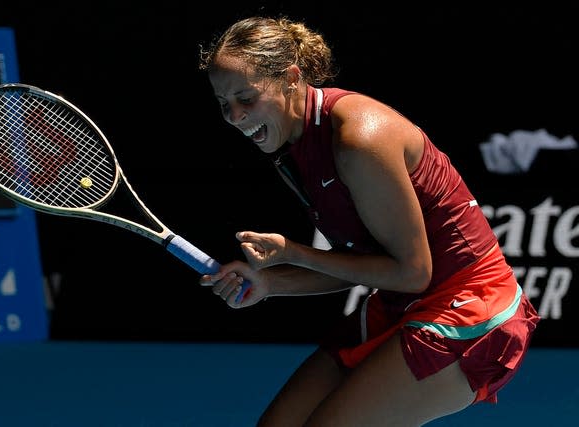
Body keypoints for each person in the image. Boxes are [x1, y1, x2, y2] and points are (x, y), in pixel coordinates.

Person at [198, 15, 540, 427]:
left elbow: (412, 272)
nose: (235, 116)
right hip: (402, 301)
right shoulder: (293, 151)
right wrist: (273, 282)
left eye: (246, 98)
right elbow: (361, 262)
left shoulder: (359, 140)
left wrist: (295, 253)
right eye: (224, 104)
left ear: (290, 78)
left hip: (471, 307)